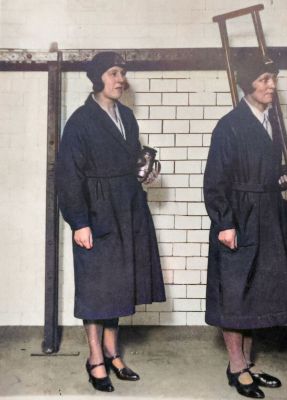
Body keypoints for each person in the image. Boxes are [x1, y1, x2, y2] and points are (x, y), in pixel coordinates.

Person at [56, 51, 166, 392]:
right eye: (114, 73)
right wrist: (79, 223)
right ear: (98, 78)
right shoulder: (79, 121)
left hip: (128, 209)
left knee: (118, 285)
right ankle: (95, 360)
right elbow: (68, 177)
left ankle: (112, 352)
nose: (121, 79)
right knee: (95, 289)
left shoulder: (127, 117)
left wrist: (146, 167)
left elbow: (131, 156)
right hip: (96, 213)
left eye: (123, 73)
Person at [203, 55, 287, 399]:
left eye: (272, 79)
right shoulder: (230, 125)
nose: (272, 86)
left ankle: (245, 363)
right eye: (264, 80)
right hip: (239, 217)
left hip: (268, 215)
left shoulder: (270, 122)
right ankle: (236, 367)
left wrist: (279, 177)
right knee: (235, 292)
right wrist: (224, 223)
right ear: (248, 84)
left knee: (254, 291)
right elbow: (214, 180)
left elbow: (263, 168)